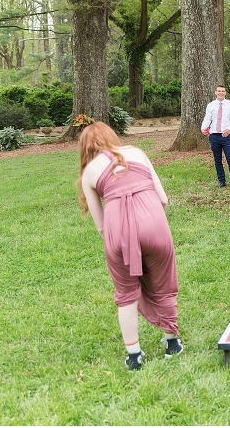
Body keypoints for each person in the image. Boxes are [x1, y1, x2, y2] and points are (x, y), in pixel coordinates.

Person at [77, 122, 182, 371]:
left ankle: (133, 356)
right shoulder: (137, 152)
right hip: (154, 225)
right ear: (111, 137)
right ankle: (172, 344)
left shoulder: (89, 173)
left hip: (118, 235)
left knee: (125, 296)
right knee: (163, 286)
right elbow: (163, 199)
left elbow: (101, 226)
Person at [201, 85, 230, 189]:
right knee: (217, 160)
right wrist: (203, 128)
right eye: (219, 91)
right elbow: (207, 118)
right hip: (214, 136)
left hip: (226, 136)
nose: (221, 93)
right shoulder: (211, 105)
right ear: (215, 92)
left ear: (225, 93)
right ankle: (221, 181)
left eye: (223, 91)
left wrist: (229, 129)